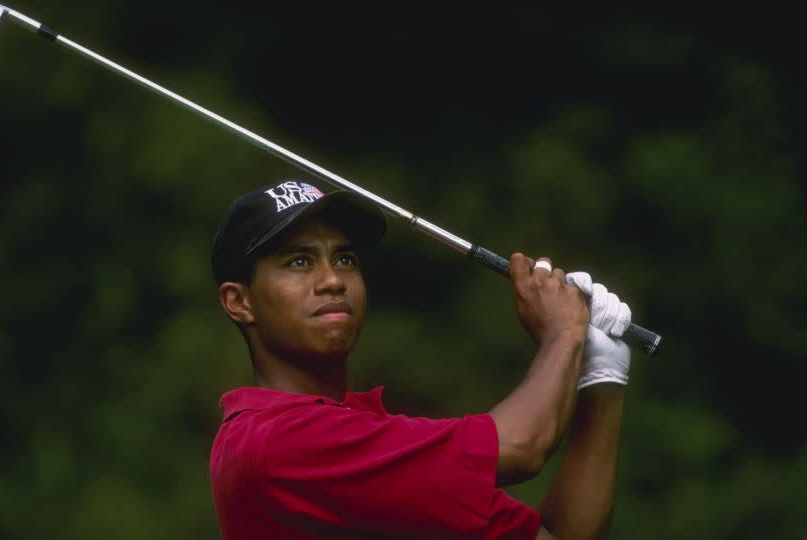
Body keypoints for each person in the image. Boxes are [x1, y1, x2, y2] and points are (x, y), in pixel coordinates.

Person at [208, 178, 634, 540]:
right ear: (239, 301)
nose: (333, 279)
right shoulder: (275, 442)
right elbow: (521, 447)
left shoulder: (366, 436)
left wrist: (602, 376)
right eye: (299, 261)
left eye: (345, 258)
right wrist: (564, 334)